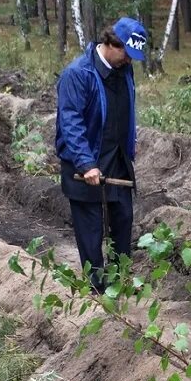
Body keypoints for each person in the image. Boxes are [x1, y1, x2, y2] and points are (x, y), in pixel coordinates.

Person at [55, 17, 147, 293]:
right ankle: (96, 291)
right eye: (127, 55)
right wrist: (86, 163)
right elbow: (70, 122)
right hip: (85, 163)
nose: (129, 62)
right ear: (111, 43)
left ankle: (119, 284)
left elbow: (123, 112)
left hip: (117, 159)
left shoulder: (124, 71)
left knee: (123, 221)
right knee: (91, 230)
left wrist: (130, 141)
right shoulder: (78, 74)